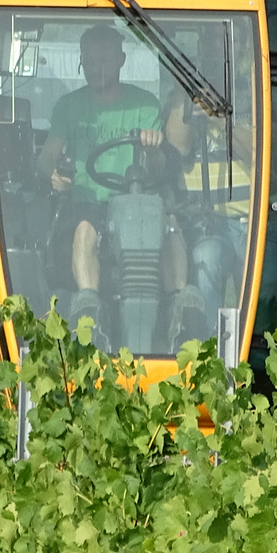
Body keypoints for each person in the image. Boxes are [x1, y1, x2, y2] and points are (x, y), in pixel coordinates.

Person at [38, 25, 172, 331]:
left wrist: (152, 149)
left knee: (170, 224)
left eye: (104, 60)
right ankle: (88, 310)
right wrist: (53, 173)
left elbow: (159, 170)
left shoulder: (145, 105)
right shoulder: (68, 106)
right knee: (85, 229)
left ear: (121, 60)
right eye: (90, 61)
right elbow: (46, 158)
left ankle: (178, 308)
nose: (96, 68)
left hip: (136, 203)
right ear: (81, 62)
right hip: (87, 205)